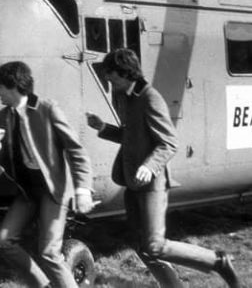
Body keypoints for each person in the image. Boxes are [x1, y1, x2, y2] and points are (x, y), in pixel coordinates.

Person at [87, 48, 242, 288]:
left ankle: (217, 261)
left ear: (126, 73)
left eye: (112, 76)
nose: (109, 81)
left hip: (152, 183)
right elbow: (132, 136)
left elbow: (169, 142)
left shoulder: (150, 97)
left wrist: (149, 166)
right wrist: (102, 128)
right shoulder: (127, 98)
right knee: (143, 246)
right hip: (132, 182)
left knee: (154, 245)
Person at [0, 61, 94, 288]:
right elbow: (11, 163)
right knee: (3, 241)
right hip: (28, 191)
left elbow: (76, 149)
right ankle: (44, 286)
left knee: (48, 252)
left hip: (53, 189)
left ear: (13, 85)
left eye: (0, 86)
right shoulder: (3, 116)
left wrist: (83, 189)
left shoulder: (47, 109)